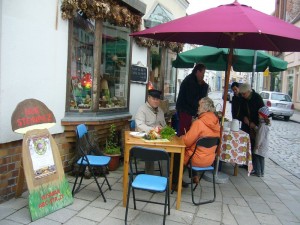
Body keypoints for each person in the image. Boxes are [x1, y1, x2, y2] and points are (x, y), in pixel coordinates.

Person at [172, 97, 220, 190]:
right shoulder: (216, 123)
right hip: (209, 160)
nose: (197, 108)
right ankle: (194, 176)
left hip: (196, 160)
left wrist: (182, 137)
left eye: (199, 106)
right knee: (193, 150)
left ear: (205, 109)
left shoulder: (199, 123)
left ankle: (175, 183)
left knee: (177, 154)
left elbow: (186, 141)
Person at [135, 89, 166, 173]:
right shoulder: (142, 110)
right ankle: (149, 176)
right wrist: (153, 130)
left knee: (167, 153)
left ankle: (165, 178)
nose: (156, 101)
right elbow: (139, 126)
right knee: (150, 153)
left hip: (158, 140)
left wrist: (164, 130)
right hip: (145, 140)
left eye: (157, 99)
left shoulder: (160, 111)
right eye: (154, 99)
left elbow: (164, 126)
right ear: (148, 98)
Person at [176, 63, 209, 136]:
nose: (203, 76)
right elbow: (192, 99)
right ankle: (183, 146)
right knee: (185, 133)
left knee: (187, 132)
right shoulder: (190, 81)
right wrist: (199, 109)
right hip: (185, 111)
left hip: (188, 111)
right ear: (197, 72)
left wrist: (204, 86)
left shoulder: (194, 80)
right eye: (203, 73)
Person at [239, 83, 264, 171]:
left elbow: (263, 113)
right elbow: (240, 111)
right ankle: (245, 163)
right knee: (245, 144)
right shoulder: (243, 99)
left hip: (255, 126)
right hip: (246, 125)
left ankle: (252, 166)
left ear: (249, 92)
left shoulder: (257, 98)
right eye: (241, 94)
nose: (243, 95)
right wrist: (243, 118)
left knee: (253, 145)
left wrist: (254, 124)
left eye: (244, 94)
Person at [252, 106, 271, 177]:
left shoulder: (262, 125)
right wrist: (255, 127)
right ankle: (262, 172)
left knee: (257, 157)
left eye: (259, 114)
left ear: (262, 116)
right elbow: (260, 132)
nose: (258, 115)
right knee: (261, 158)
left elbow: (260, 136)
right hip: (263, 144)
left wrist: (257, 144)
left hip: (260, 145)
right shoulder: (264, 124)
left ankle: (258, 172)